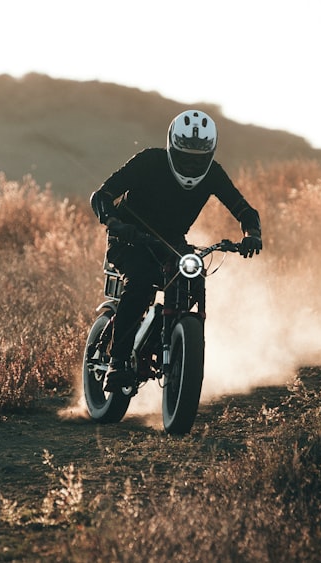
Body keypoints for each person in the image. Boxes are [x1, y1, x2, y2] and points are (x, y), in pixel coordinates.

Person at [89, 109, 263, 391]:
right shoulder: (148, 161)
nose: (191, 166)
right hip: (129, 239)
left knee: (194, 276)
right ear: (171, 147)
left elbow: (244, 209)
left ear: (210, 154)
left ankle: (172, 337)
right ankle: (117, 363)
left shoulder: (214, 174)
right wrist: (113, 221)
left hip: (171, 243)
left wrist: (251, 234)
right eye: (184, 157)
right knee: (142, 281)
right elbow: (103, 194)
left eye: (198, 160)